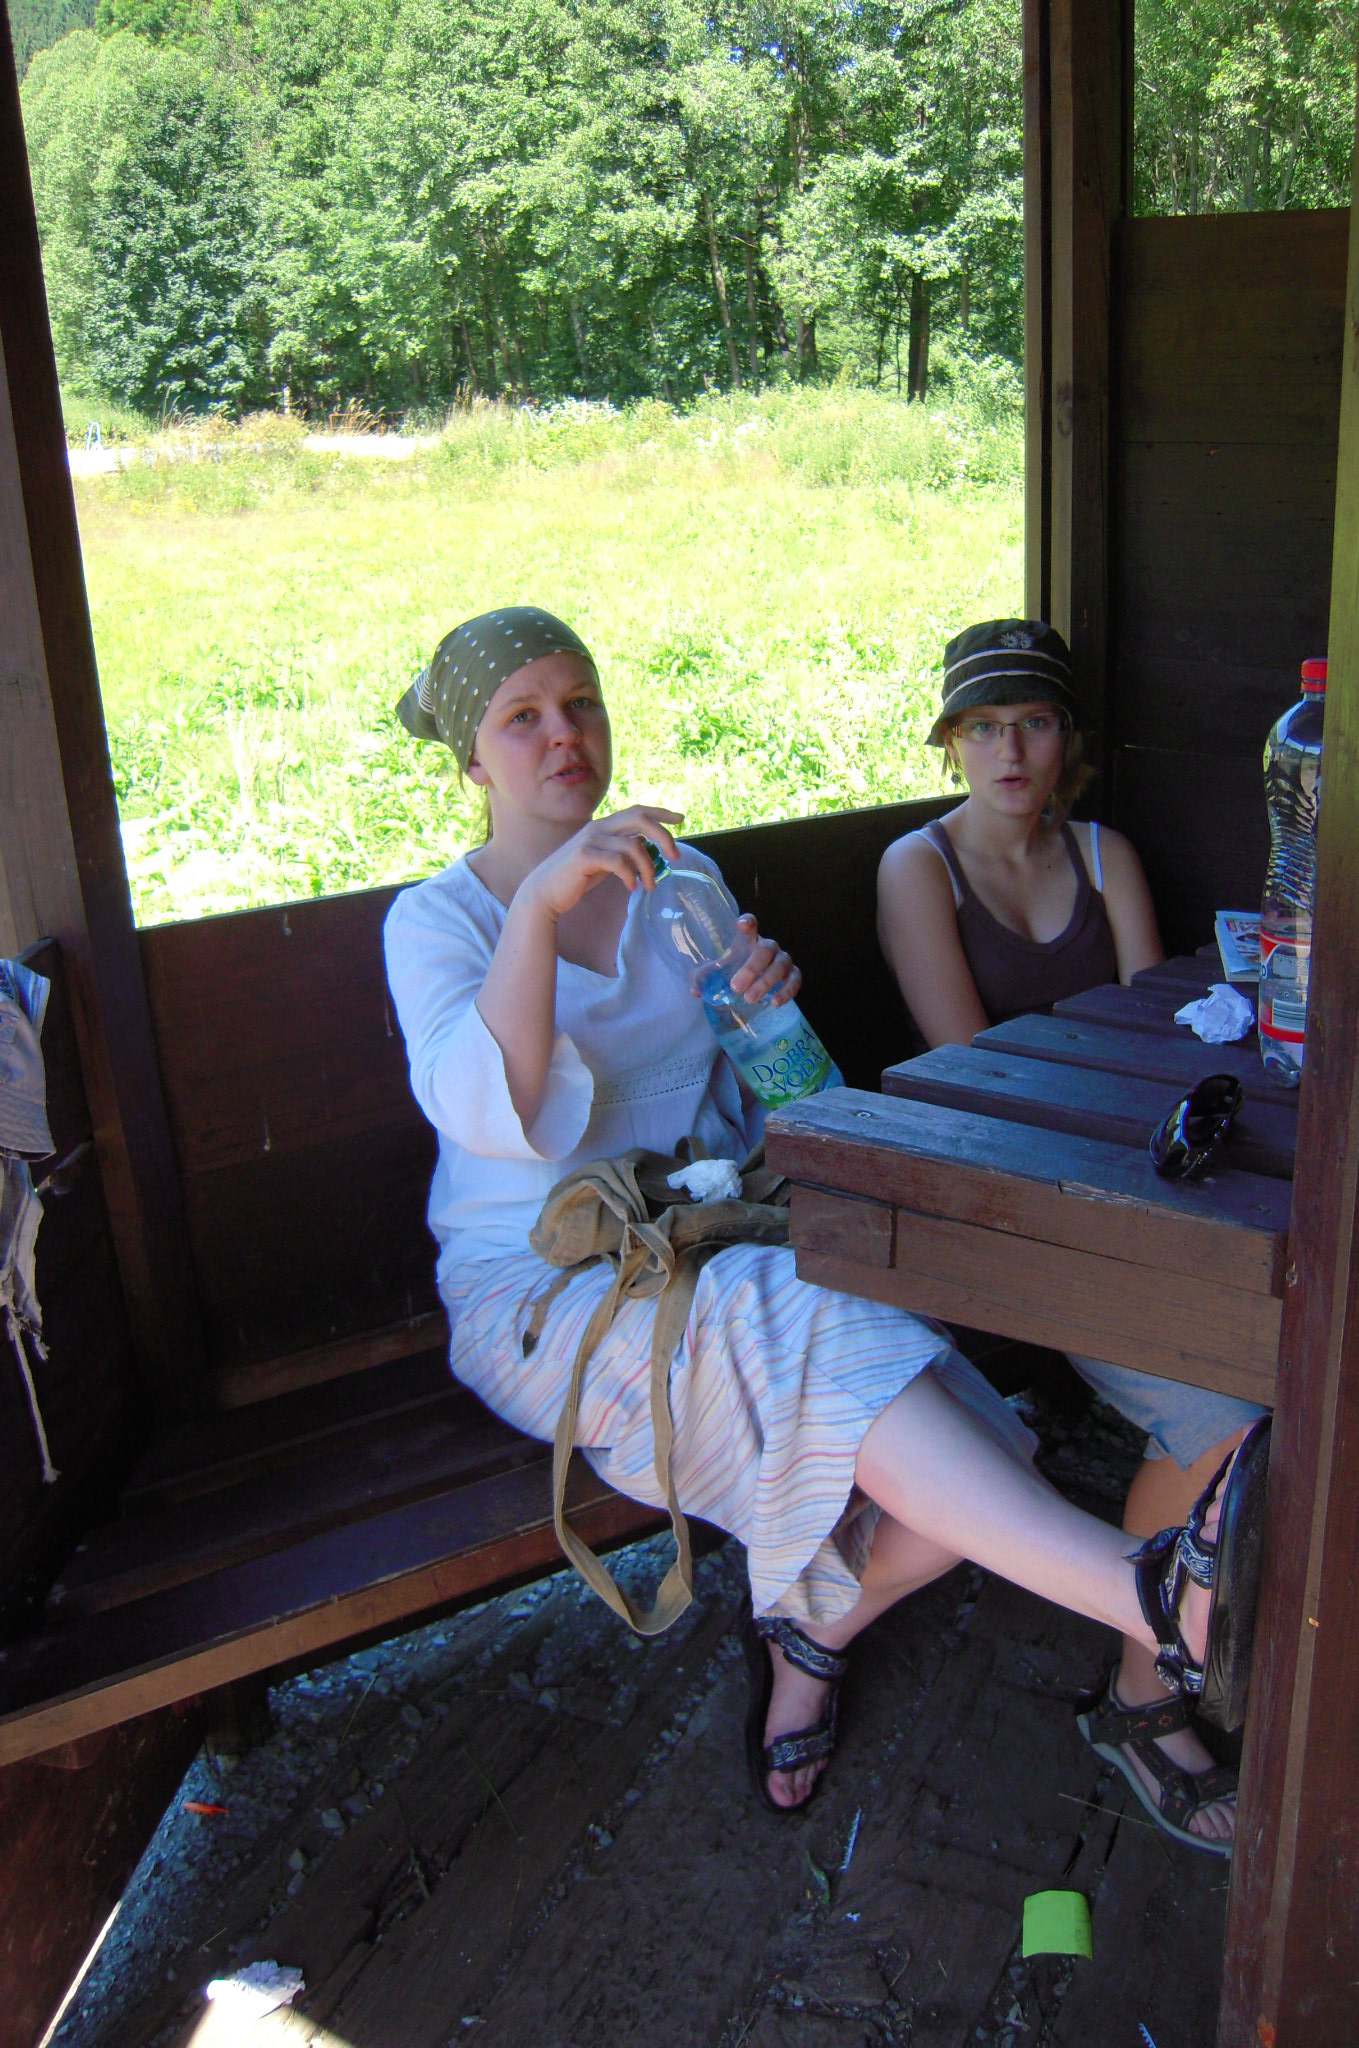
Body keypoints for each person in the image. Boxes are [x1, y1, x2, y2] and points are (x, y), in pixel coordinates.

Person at [381, 603, 1262, 1841]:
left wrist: (768, 1021)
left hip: (726, 1238)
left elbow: (782, 1105)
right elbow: (492, 1113)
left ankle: (812, 1626)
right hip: (547, 1289)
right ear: (472, 760)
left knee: (983, 1462)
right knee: (862, 1370)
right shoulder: (440, 922)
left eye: (579, 702)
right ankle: (1147, 1598)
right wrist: (534, 910)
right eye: (520, 717)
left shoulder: (678, 881)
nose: (562, 732)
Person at [876, 617, 1359, 2033]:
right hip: (1020, 1224)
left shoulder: (1105, 853)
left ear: (1069, 741)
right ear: (949, 743)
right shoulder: (916, 869)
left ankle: (1148, 1687)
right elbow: (967, 1069)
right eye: (982, 726)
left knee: (1306, 1400)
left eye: (1033, 722)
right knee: (1268, 1424)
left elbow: (1184, 1020)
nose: (1008, 750)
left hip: (1159, 1196)